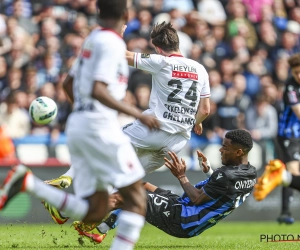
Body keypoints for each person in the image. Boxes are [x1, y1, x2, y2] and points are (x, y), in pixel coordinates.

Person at [0, 1, 160, 250]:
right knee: (136, 200)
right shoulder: (112, 43)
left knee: (94, 211)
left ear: (98, 12)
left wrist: (82, 113)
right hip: (100, 127)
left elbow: (67, 84)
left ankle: (28, 183)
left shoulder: (92, 39)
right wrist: (138, 114)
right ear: (126, 15)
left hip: (80, 125)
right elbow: (98, 89)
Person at [43, 21, 211, 225]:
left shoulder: (161, 61)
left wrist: (116, 34)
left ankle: (68, 177)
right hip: (177, 142)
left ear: (158, 47)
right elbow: (205, 110)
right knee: (124, 177)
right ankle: (74, 211)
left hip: (152, 129)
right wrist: (197, 122)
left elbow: (124, 55)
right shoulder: (200, 69)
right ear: (178, 44)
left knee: (103, 145)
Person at [71, 129, 257, 242]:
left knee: (125, 196)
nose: (220, 149)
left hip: (184, 218)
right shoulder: (250, 173)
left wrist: (181, 176)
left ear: (239, 151)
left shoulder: (225, 175)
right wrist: (209, 172)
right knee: (139, 185)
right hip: (186, 210)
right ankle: (103, 229)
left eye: (225, 147)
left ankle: (79, 214)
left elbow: (197, 198)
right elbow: (224, 190)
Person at [275, 53, 300, 224]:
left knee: (289, 175)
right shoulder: (290, 88)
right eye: (296, 72)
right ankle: (285, 212)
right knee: (293, 173)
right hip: (288, 137)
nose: (298, 76)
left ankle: (284, 212)